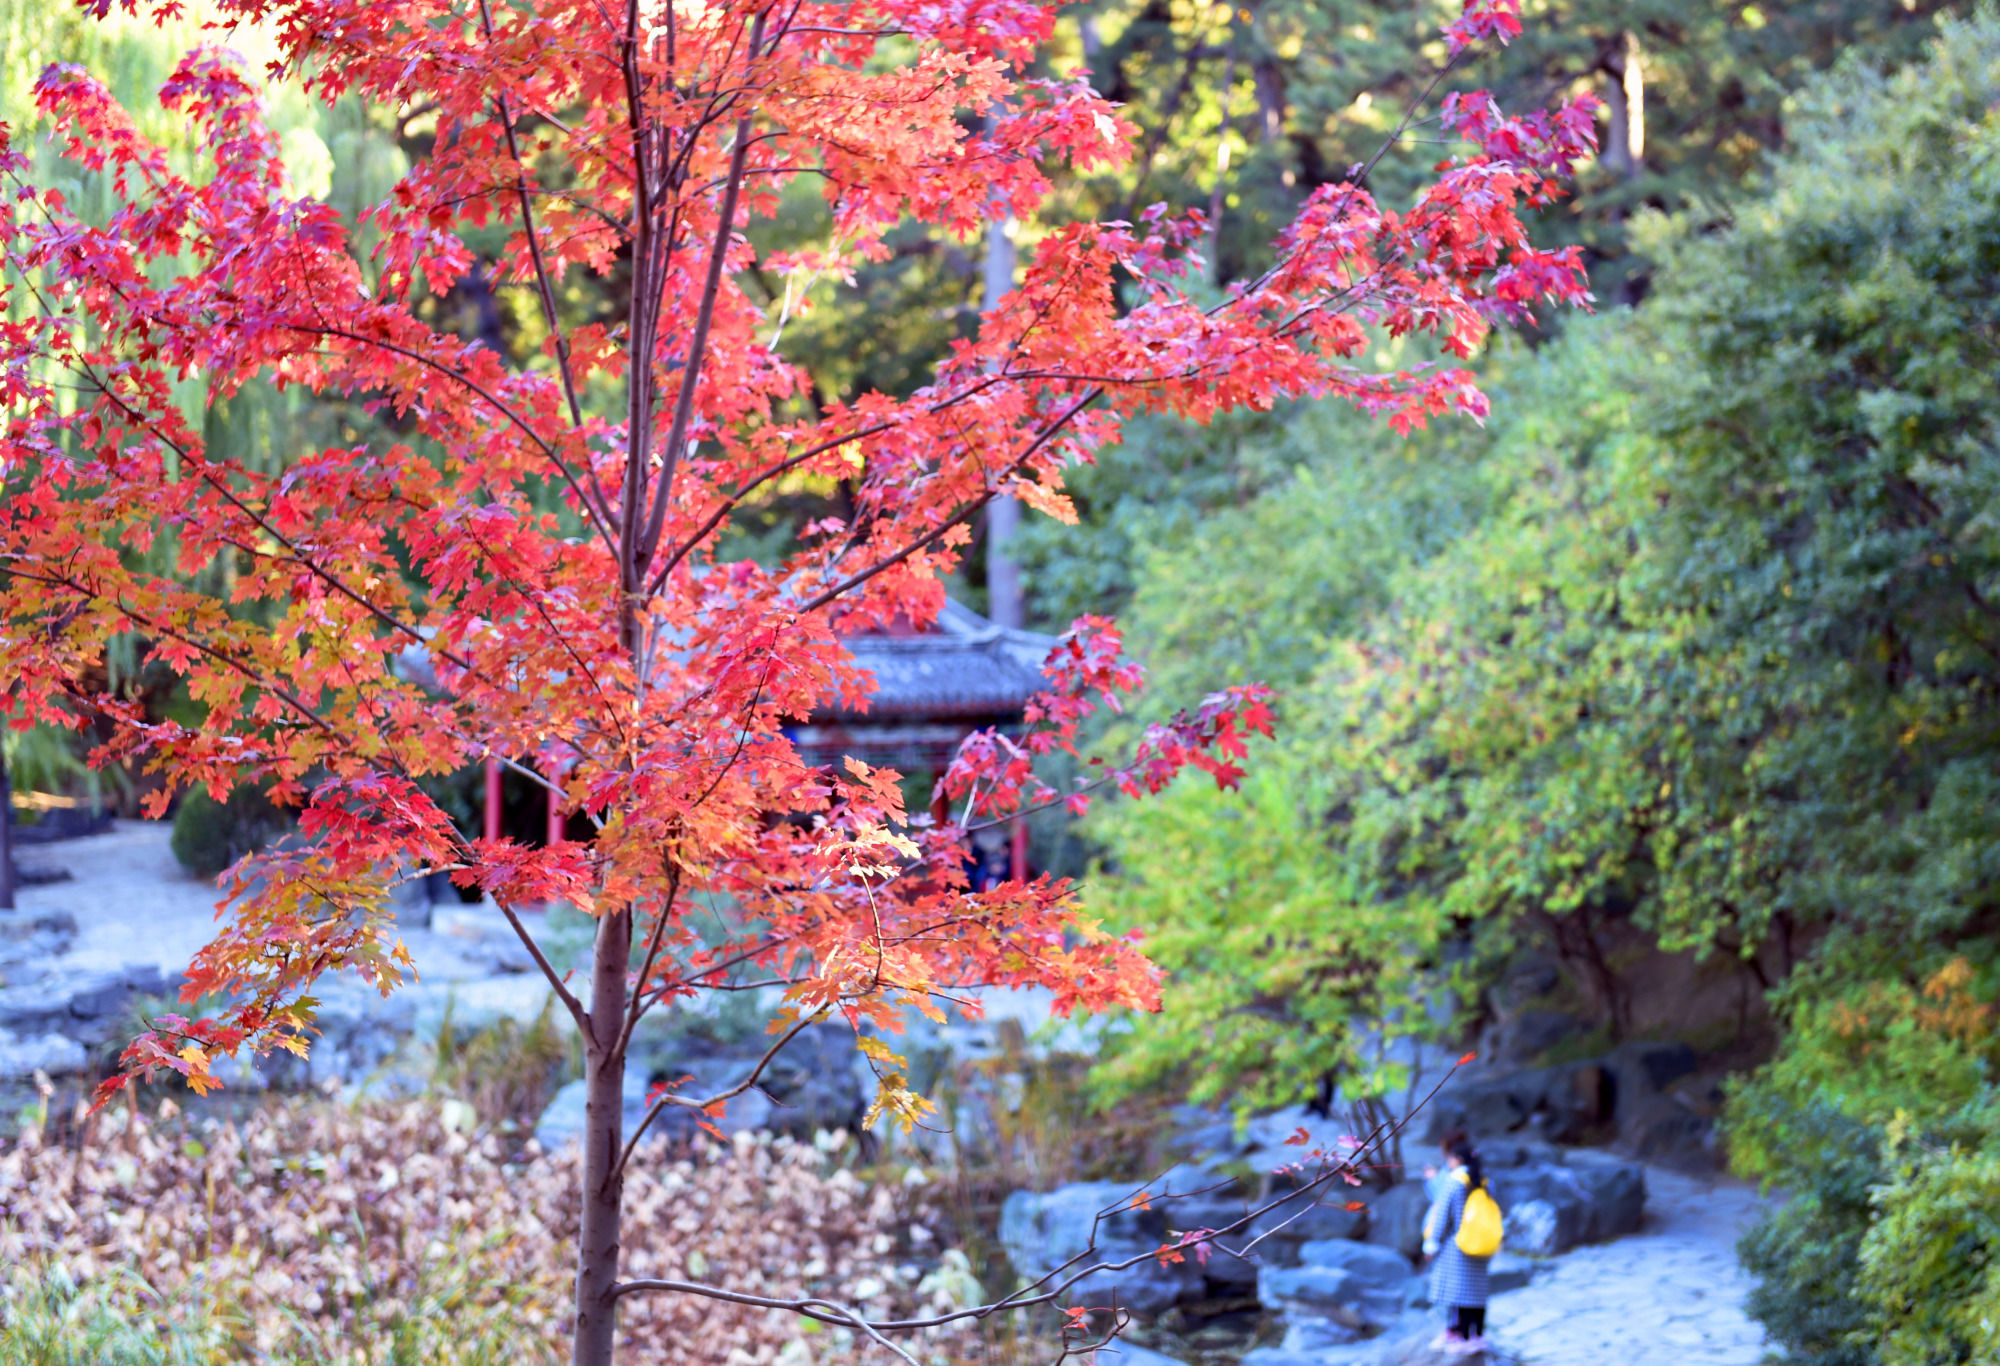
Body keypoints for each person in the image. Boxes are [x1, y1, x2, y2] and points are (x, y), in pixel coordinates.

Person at [1421, 1131, 1493, 1355]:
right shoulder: (1483, 1180)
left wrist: (1432, 1242)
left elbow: (1442, 1215)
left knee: (1457, 1293)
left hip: (1457, 1245)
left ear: (1457, 1159)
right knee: (1476, 1293)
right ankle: (1477, 1336)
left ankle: (1459, 1335)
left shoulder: (1454, 1181)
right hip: (1481, 1242)